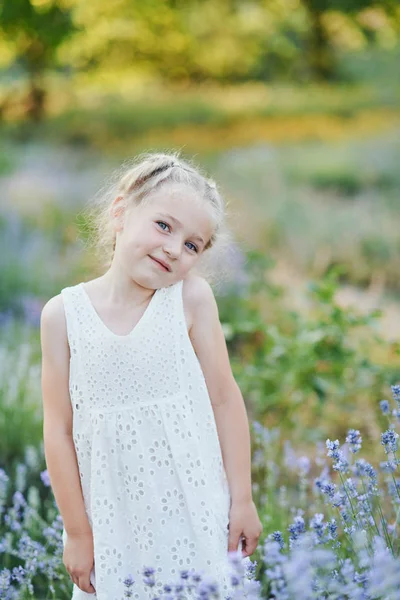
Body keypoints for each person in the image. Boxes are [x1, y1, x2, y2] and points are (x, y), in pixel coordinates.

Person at [40, 151, 263, 600]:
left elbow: (224, 398)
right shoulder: (63, 315)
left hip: (194, 506)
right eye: (164, 226)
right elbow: (58, 431)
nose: (173, 249)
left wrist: (242, 498)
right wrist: (78, 533)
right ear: (121, 212)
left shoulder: (190, 300)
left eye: (192, 245)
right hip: (111, 518)